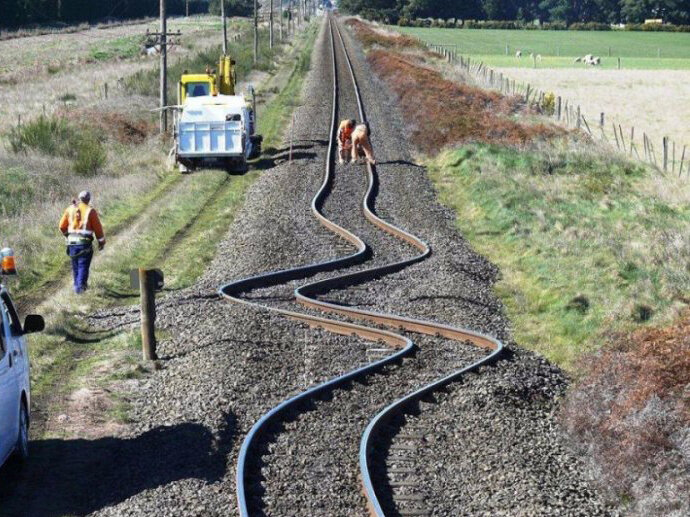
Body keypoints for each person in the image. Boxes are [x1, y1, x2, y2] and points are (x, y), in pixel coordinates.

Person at [58, 191, 105, 294]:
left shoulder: (70, 209)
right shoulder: (90, 211)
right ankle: (80, 291)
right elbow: (98, 229)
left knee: (75, 266)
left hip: (72, 242)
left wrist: (68, 235)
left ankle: (77, 287)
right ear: (88, 199)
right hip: (84, 242)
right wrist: (101, 242)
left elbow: (61, 226)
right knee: (83, 266)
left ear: (80, 198)